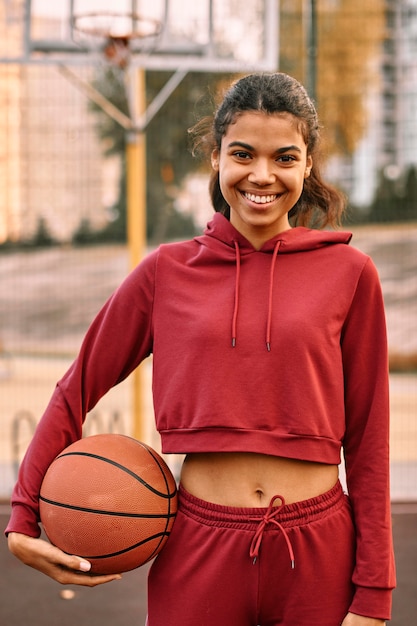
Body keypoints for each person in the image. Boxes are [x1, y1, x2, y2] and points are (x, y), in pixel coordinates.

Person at [6, 72, 395, 626]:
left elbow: (369, 436)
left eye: (284, 157)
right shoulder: (166, 272)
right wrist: (22, 520)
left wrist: (374, 591)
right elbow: (76, 389)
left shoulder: (352, 274)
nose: (262, 175)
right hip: (197, 545)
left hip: (317, 549)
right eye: (242, 154)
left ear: (308, 164)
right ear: (216, 157)